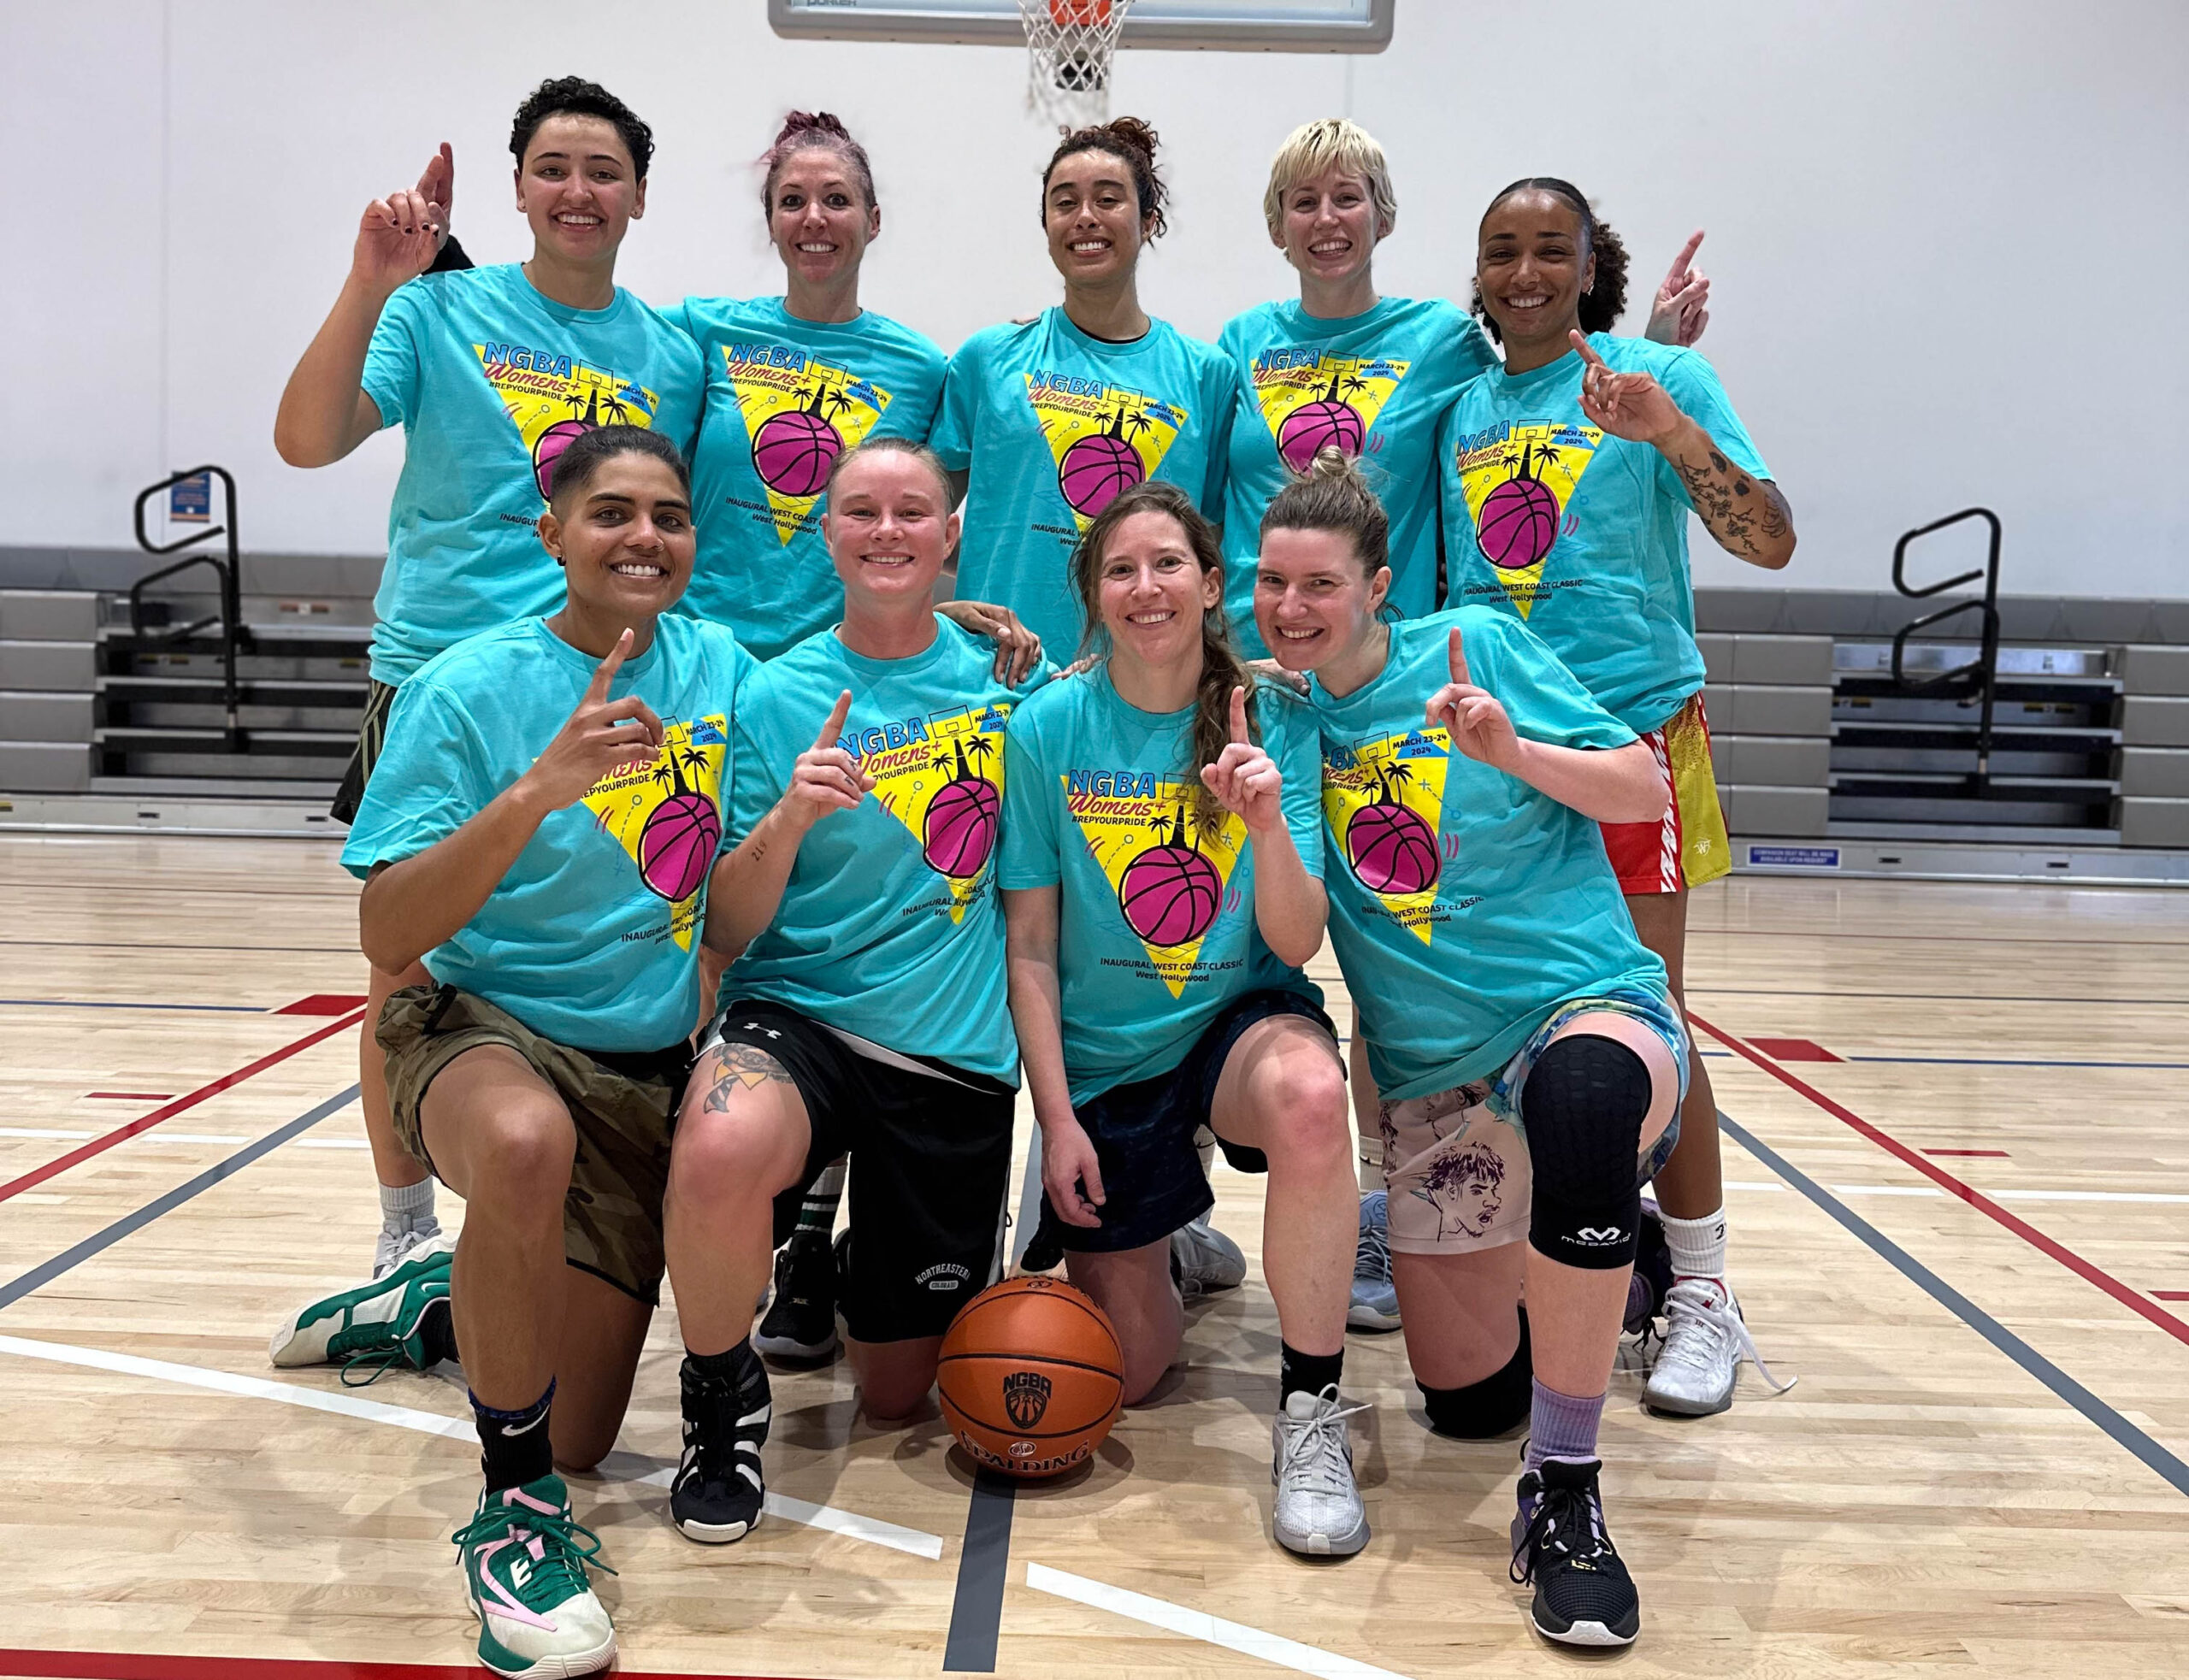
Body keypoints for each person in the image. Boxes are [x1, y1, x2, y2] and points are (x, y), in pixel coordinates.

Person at [1217, 123, 1714, 1330]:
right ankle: (1416, 1215)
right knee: (1410, 960)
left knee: (1639, 1010)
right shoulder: (1240, 346)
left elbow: (1571, 372)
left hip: (1600, 701)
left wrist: (1646, 338)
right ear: (1277, 218)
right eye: (1302, 198)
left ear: (1384, 216)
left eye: (1349, 197)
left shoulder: (1439, 342)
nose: (1326, 217)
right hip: (1360, 694)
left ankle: (1694, 1273)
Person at [322, 426, 751, 1676]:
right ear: (549, 534)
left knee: (582, 1427)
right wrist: (535, 792)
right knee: (522, 1142)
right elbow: (387, 925)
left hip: (643, 1069)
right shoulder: (464, 688)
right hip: (481, 1032)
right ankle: (513, 1518)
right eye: (610, 512)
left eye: (667, 516)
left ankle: (443, 1314)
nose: (643, 536)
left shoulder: (721, 667)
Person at [1255, 449, 1696, 1646]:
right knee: (1466, 1402)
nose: (1291, 609)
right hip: (1439, 1085)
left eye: (1319, 586)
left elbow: (1639, 790)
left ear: (1378, 587)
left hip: (1579, 1006)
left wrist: (1512, 754)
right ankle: (1630, 1258)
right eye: (1272, 584)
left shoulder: (1477, 650)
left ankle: (1566, 1497)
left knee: (1588, 1104)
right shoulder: (1282, 722)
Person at [272, 77, 707, 1282]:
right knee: (407, 960)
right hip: (443, 682)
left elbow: (687, 528)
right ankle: (406, 1229)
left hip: (597, 683)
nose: (579, 191)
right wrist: (372, 278)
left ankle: (566, 1194)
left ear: (637, 197)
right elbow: (305, 439)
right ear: (519, 189)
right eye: (555, 168)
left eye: (603, 171)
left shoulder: (673, 352)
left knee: (607, 938)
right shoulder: (439, 311)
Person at [1441, 178, 1797, 1415]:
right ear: (1477, 273)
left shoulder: (1662, 385)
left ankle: (1701, 1285)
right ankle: (1555, 1240)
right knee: (1504, 1007)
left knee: (1653, 1013)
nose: (1527, 271)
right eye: (1503, 251)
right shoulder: (1462, 412)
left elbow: (1771, 539)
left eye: (1552, 249)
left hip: (1638, 728)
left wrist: (1672, 433)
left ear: (1591, 265)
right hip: (1497, 746)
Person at [661, 436, 1047, 1539]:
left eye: (913, 511)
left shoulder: (1008, 683)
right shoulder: (774, 693)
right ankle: (720, 1397)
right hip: (801, 1019)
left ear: (952, 534)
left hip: (946, 1052)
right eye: (862, 511)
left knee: (893, 1399)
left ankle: (820, 1249)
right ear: (824, 533)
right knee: (720, 1140)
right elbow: (726, 927)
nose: (887, 531)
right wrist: (788, 817)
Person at [1000, 481, 1367, 1559]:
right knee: (1134, 1375)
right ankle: (1168, 1239)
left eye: (1169, 564)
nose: (1146, 587)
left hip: (1233, 1022)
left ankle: (1310, 1410)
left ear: (1210, 585)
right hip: (1111, 1059)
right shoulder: (1050, 725)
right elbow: (1028, 947)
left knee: (1308, 1096)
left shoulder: (1274, 713)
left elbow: (1296, 942)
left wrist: (1263, 820)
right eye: (1121, 569)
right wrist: (1056, 1123)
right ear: (1094, 595)